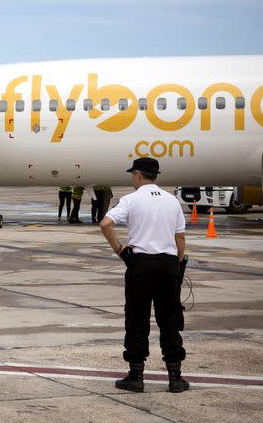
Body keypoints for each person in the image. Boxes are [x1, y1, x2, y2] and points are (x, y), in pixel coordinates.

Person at [100, 157, 189, 394]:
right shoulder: (172, 201)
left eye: (133, 175)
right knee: (170, 319)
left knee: (137, 319)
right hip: (168, 265)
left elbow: (106, 224)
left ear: (138, 175)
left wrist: (120, 250)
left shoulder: (131, 200)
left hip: (140, 265)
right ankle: (175, 377)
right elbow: (180, 239)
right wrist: (177, 264)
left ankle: (136, 375)